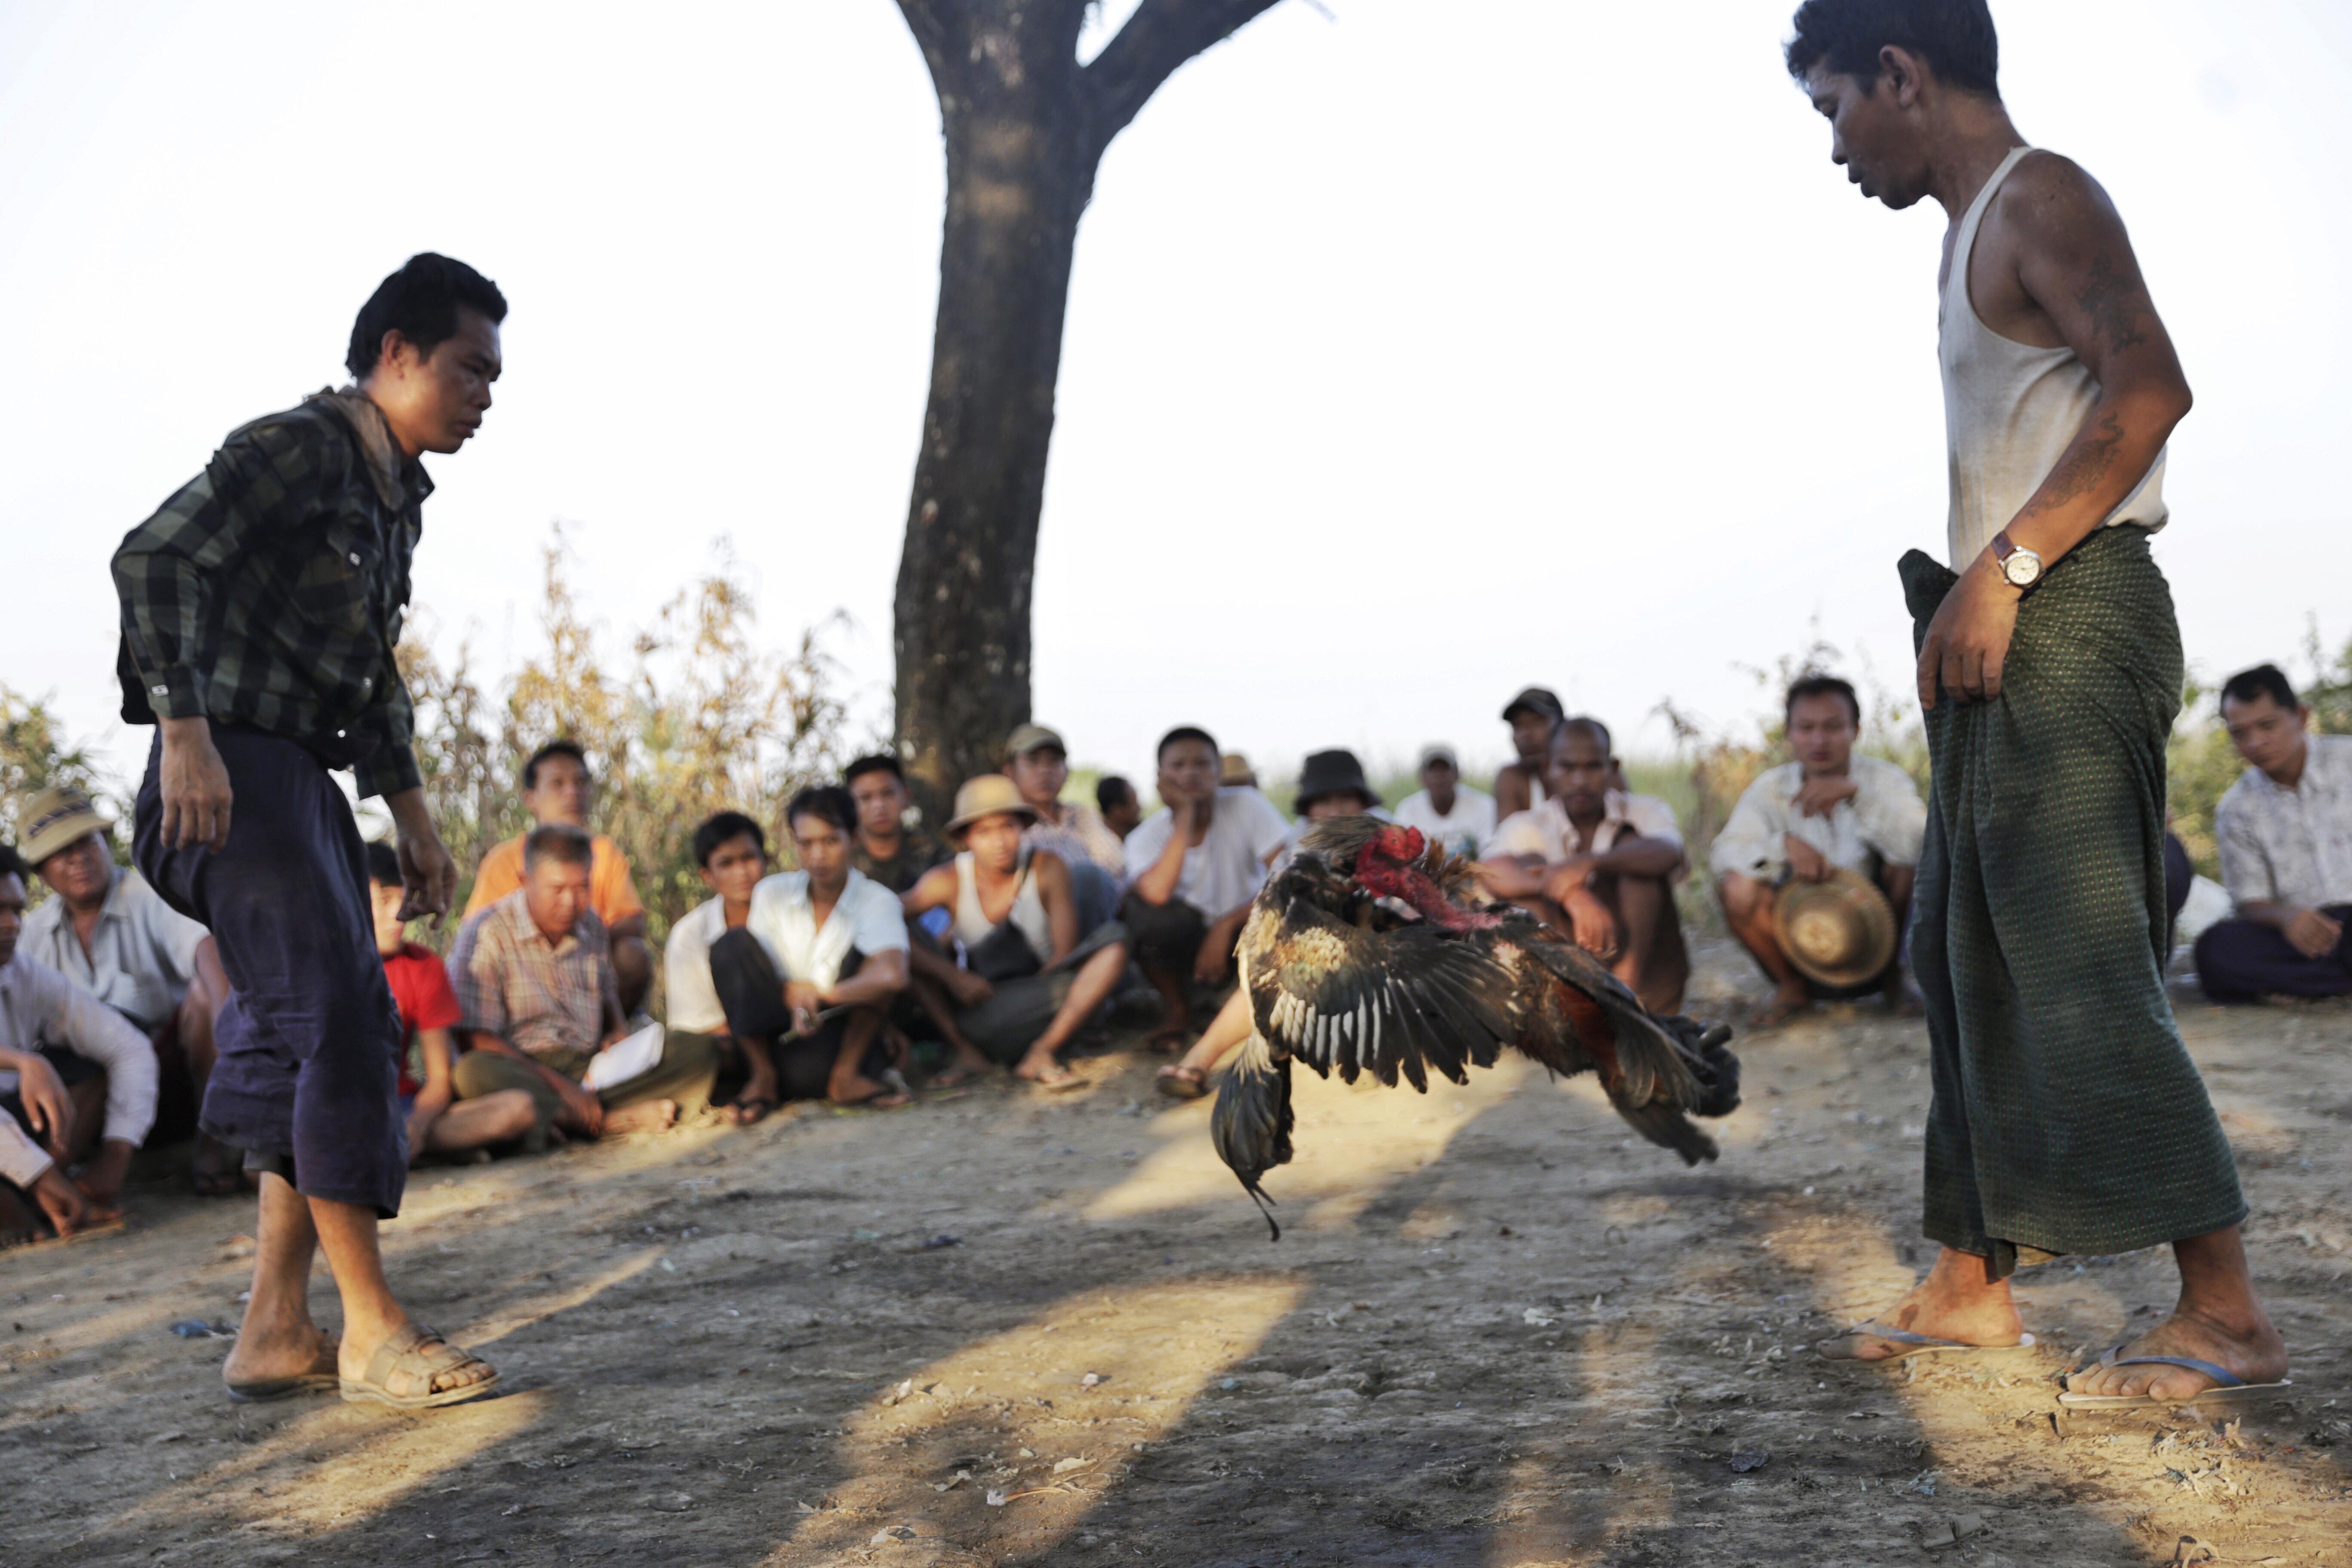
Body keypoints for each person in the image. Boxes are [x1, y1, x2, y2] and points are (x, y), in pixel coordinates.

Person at [1789, 0, 2283, 1404]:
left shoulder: (2040, 195)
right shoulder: (1962, 237)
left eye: (1834, 107)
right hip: (2000, 621)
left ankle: (2229, 1309)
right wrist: (1973, 591)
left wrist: (2002, 569)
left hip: (2068, 607)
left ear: (1899, 71)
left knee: (2076, 958)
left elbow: (2149, 388)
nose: (1833, 147)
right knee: (1954, 944)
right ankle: (1971, 1278)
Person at [114, 252, 503, 1406]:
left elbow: (370, 676)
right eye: (471, 369)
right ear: (396, 356)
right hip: (224, 769)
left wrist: (416, 817)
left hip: (295, 779)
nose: (487, 395)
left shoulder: (393, 504)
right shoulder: (300, 446)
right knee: (332, 1014)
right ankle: (373, 1333)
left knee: (324, 1023)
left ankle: (276, 1329)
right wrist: (183, 731)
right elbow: (155, 554)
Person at [14, 784, 238, 1193]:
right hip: (88, 1091)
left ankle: (214, 1142)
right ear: (41, 871)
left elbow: (205, 950)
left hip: (173, 1079)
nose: (79, 857)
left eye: (87, 841)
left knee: (207, 999)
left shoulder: (150, 894)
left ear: (106, 842)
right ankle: (46, 1182)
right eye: (62, 851)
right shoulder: (30, 934)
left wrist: (235, 1034)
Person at [450, 824, 719, 1138]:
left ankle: (562, 1121)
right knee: (472, 1074)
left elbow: (607, 995)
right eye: (557, 889)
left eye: (581, 887)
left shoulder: (591, 923)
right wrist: (562, 1087)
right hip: (523, 1067)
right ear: (525, 882)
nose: (570, 902)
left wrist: (617, 1030)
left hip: (587, 1067)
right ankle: (608, 1122)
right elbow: (477, 1041)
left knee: (697, 1050)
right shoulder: (486, 932)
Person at [1711, 676, 1927, 1023]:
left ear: (1855, 730)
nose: (1818, 740)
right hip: (1804, 944)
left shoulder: (1884, 780)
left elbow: (1924, 843)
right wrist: (1783, 847)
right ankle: (1792, 987)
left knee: (1906, 864)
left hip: (1877, 941)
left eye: (1832, 727)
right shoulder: (1771, 789)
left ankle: (1894, 979)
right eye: (1806, 728)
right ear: (1789, 733)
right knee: (1737, 886)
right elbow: (1723, 853)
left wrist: (1857, 796)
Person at [903, 775, 1133, 1090]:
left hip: (1043, 995)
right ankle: (964, 1051)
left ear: (1023, 828)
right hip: (978, 1006)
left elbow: (1063, 956)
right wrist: (950, 976)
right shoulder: (947, 880)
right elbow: (882, 921)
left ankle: (1043, 1050)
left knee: (1115, 944)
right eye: (984, 832)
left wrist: (1031, 1001)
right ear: (965, 837)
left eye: (1008, 827)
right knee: (901, 945)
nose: (999, 842)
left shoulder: (1047, 867)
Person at [1477, 718, 1690, 1014]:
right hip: (1572, 965)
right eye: (1567, 768)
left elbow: (1669, 852)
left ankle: (1629, 994)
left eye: (1592, 767)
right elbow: (1488, 870)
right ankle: (1565, 1006)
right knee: (1526, 881)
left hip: (1649, 976)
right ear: (1548, 769)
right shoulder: (1530, 825)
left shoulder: (1645, 809)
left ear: (1613, 768)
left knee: (1638, 862)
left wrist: (1588, 864)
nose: (1580, 780)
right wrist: (1570, 893)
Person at [0, 845, 147, 1240]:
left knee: (91, 1060)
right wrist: (24, 1062)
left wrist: (117, 1151)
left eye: (16, 910)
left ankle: (40, 1199)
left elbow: (128, 1047)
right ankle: (32, 1200)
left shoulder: (27, 973)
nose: (12, 924)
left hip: (14, 1138)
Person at [734, 787, 915, 1108]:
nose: (818, 856)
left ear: (854, 839)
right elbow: (757, 971)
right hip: (782, 1035)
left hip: (834, 1040)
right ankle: (762, 1074)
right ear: (795, 843)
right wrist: (791, 991)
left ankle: (845, 1074)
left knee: (873, 961)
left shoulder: (877, 900)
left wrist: (821, 994)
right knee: (731, 946)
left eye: (830, 841)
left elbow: (893, 976)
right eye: (806, 843)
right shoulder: (771, 893)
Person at [363, 843, 538, 1161]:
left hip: (402, 1107)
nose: (397, 914)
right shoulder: (320, 966)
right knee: (277, 1152)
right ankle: (411, 1150)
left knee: (519, 1109)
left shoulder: (423, 967)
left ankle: (402, 1147)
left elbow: (439, 1080)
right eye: (384, 900)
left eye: (402, 900)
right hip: (336, 1114)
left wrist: (418, 1124)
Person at [1121, 727, 1289, 1050]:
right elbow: (1156, 894)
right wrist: (1185, 815)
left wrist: (1228, 924)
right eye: (1179, 765)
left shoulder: (1247, 804)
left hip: (1248, 931)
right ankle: (1177, 1010)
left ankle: (1225, 1008)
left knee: (1290, 913)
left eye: (1201, 764)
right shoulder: (1144, 837)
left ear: (1219, 771)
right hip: (1187, 945)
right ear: (1160, 777)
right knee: (1141, 913)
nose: (1190, 774)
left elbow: (1289, 877)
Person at [2195, 665, 2352, 1003]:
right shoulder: (2237, 808)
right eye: (2240, 733)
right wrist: (2288, 918)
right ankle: (2335, 981)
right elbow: (2250, 900)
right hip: (2304, 938)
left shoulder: (2348, 761)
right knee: (2216, 951)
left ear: (2301, 716)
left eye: (2267, 725)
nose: (2256, 743)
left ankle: (2310, 986)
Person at [463, 741, 652, 1013]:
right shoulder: (503, 860)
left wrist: (577, 940)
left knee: (633, 954)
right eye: (558, 784)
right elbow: (477, 934)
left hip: (587, 972)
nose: (572, 793)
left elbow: (631, 920)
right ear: (531, 799)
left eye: (580, 782)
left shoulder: (604, 853)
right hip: (521, 978)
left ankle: (608, 1037)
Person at [663, 811, 788, 1123]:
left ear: (766, 859)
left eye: (749, 859)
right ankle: (763, 1075)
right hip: (734, 1049)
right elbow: (698, 1027)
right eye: (726, 864)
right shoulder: (689, 934)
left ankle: (770, 1081)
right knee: (732, 946)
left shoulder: (793, 911)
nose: (741, 873)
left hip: (791, 1035)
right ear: (708, 875)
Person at [1005, 723, 1126, 932]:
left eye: (1054, 762)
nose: (1045, 771)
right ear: (1010, 772)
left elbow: (1116, 868)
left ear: (1066, 771)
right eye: (1033, 762)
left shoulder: (1083, 815)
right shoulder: (1006, 824)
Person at [845, 754, 952, 896]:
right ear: (849, 804)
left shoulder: (934, 855)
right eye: (866, 798)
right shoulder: (842, 860)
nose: (879, 806)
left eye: (888, 794)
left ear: (906, 795)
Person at [1391, 744, 1496, 862]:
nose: (1439, 776)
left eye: (1445, 769)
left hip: (1476, 877)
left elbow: (1492, 852)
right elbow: (1402, 857)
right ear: (1422, 777)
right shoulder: (1408, 810)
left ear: (1457, 774)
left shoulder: (1484, 805)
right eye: (1432, 770)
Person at [1492, 687, 1564, 821]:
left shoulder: (1597, 772)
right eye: (1518, 725)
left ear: (1561, 725)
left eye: (1537, 722)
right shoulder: (1512, 779)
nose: (1526, 734)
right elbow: (1508, 840)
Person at [1097, 776, 1143, 840]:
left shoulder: (1135, 839)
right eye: (1134, 803)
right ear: (1117, 811)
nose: (1139, 808)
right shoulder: (1096, 845)